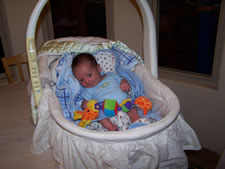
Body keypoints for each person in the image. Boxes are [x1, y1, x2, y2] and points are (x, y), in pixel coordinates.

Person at [72, 53, 140, 131]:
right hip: (107, 112)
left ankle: (138, 124)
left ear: (98, 68)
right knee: (99, 115)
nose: (87, 81)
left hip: (124, 105)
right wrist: (84, 104)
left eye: (89, 75)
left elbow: (122, 80)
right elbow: (86, 103)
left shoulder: (110, 75)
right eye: (81, 80)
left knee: (133, 109)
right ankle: (111, 127)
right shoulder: (88, 90)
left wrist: (124, 82)